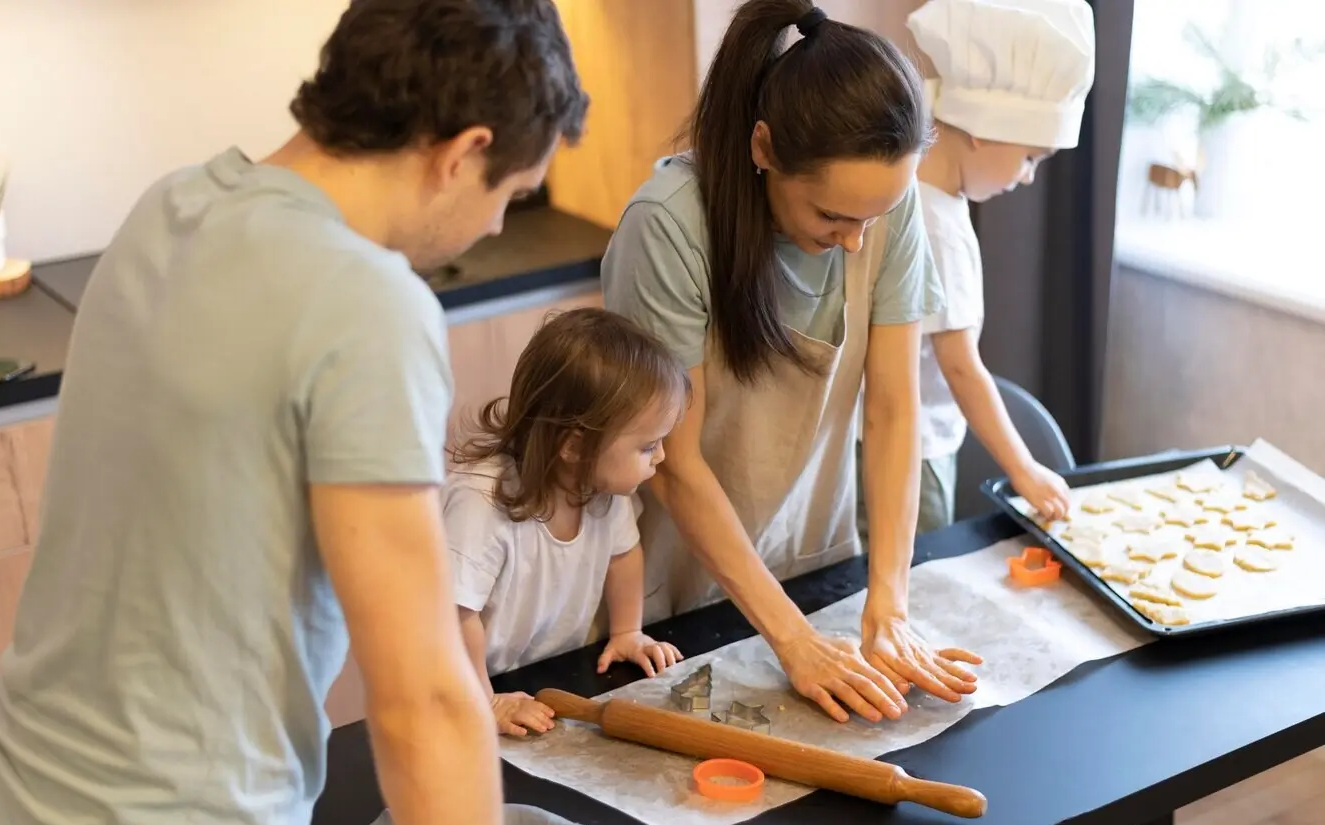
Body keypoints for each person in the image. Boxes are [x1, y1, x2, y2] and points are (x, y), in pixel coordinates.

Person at [0, 2, 586, 825]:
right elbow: (422, 699)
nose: (494, 226)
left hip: (7, 822)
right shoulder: (366, 305)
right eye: (508, 194)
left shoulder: (173, 203)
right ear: (461, 152)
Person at [601, 0, 982, 728]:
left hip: (814, 561)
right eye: (831, 218)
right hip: (673, 590)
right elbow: (676, 464)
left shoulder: (884, 207)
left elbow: (894, 409)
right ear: (764, 148)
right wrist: (794, 642)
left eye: (872, 219)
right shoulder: (671, 228)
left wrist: (888, 603)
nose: (854, 243)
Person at [443, 308, 688, 737]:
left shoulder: (603, 490)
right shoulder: (480, 502)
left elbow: (623, 556)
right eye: (648, 446)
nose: (662, 457)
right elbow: (455, 614)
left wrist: (628, 631)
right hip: (461, 683)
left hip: (539, 674)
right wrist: (482, 700)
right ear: (575, 445)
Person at [899, 0, 1096, 532]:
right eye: (1030, 157)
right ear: (983, 129)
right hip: (914, 452)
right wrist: (1023, 468)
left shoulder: (900, 195)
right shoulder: (940, 226)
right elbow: (960, 365)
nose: (1028, 177)